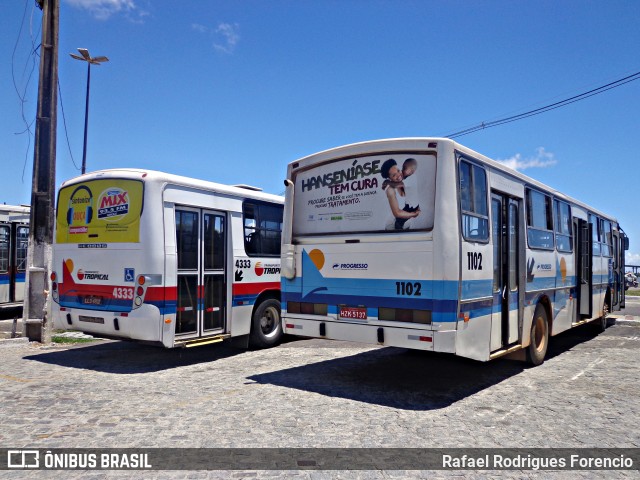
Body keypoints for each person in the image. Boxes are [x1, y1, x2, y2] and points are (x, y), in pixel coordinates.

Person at [380, 159, 420, 230]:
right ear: (389, 178)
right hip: (394, 225)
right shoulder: (390, 190)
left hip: (406, 221)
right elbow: (397, 213)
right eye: (394, 175)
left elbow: (406, 196)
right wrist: (414, 214)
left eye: (398, 170)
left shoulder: (405, 181)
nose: (398, 175)